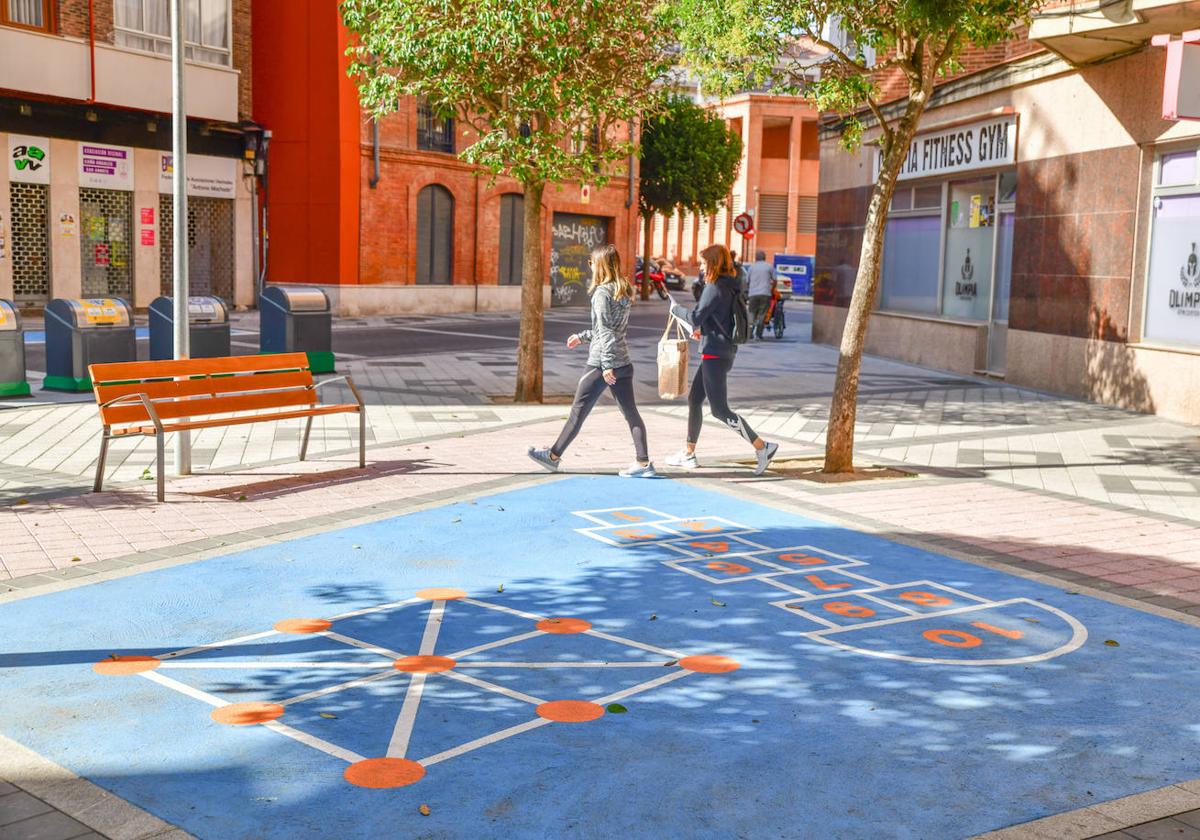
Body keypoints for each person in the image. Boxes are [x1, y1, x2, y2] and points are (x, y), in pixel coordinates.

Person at [528, 244, 655, 478]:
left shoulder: (601, 292)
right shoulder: (623, 290)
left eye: (591, 262)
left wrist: (607, 365)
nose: (590, 266)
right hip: (624, 362)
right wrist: (582, 336)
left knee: (578, 412)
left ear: (600, 265)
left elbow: (605, 331)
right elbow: (611, 330)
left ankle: (553, 457)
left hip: (601, 364)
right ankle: (644, 463)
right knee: (631, 413)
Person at [665, 243, 779, 475]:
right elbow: (718, 318)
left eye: (704, 262)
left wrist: (676, 309)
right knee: (695, 399)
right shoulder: (730, 285)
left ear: (713, 263)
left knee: (720, 410)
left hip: (715, 353)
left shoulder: (715, 287)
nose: (701, 266)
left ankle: (762, 447)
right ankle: (688, 453)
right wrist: (704, 329)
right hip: (721, 350)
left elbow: (696, 316)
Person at [746, 250, 776, 340]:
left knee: (751, 313)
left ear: (756, 258)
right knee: (762, 314)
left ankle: (750, 334)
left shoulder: (751, 267)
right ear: (764, 257)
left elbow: (747, 281)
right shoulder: (769, 267)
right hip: (765, 293)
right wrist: (772, 289)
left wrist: (750, 289)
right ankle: (759, 334)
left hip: (753, 294)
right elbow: (775, 280)